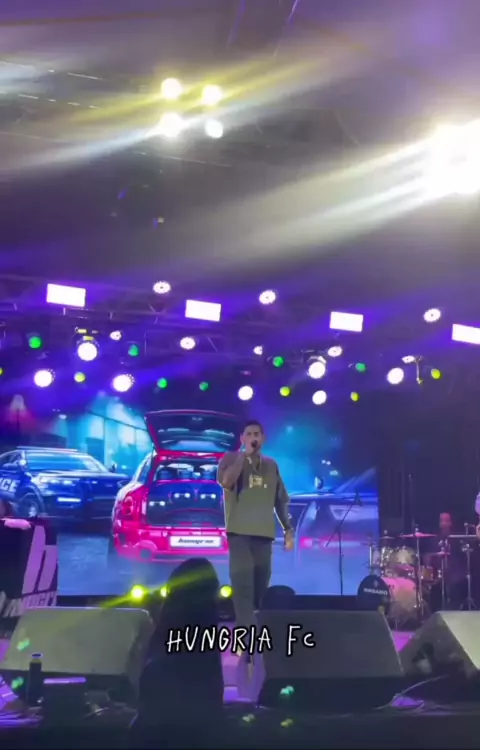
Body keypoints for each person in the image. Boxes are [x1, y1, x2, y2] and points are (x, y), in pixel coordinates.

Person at [217, 419, 294, 651]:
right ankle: (243, 641)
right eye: (249, 434)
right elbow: (226, 482)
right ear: (242, 438)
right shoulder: (230, 459)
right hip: (239, 534)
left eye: (257, 434)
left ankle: (257, 637)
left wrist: (288, 529)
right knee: (243, 588)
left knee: (260, 588)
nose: (253, 437)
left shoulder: (271, 465)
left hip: (264, 535)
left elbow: (280, 500)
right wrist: (244, 456)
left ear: (263, 438)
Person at [424, 512, 465, 610]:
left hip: (454, 574)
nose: (444, 524)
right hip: (438, 573)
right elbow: (427, 556)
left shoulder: (456, 540)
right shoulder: (434, 539)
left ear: (451, 523)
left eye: (446, 521)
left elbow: (461, 560)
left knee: (457, 582)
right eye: (442, 521)